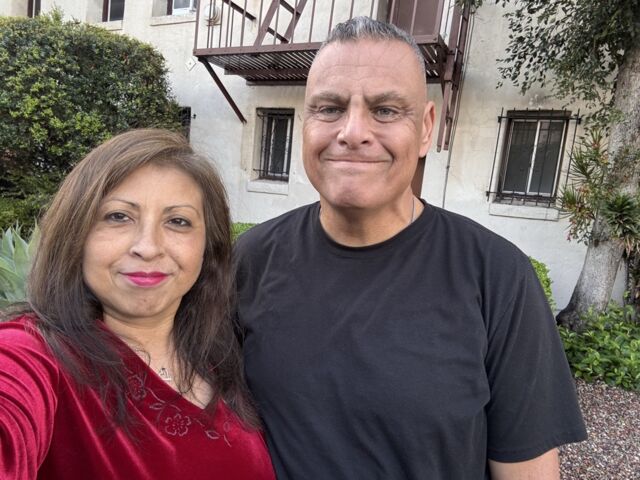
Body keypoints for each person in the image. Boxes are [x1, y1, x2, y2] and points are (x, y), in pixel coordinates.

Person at [234, 17, 587, 480]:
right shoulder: (250, 260)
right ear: (307, 123)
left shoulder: (497, 277)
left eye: (384, 110)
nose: (353, 131)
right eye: (330, 108)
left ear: (425, 128)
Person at [0, 129, 275, 479]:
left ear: (208, 249)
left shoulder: (223, 355)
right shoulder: (35, 355)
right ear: (77, 234)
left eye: (177, 221)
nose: (148, 247)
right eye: (118, 216)